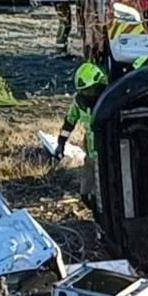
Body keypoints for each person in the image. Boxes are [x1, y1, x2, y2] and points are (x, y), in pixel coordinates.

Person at [53, 61, 108, 213]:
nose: (87, 94)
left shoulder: (109, 100)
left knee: (107, 195)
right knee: (85, 194)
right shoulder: (79, 103)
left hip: (108, 156)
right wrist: (61, 143)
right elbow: (69, 122)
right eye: (84, 91)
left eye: (90, 90)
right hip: (90, 155)